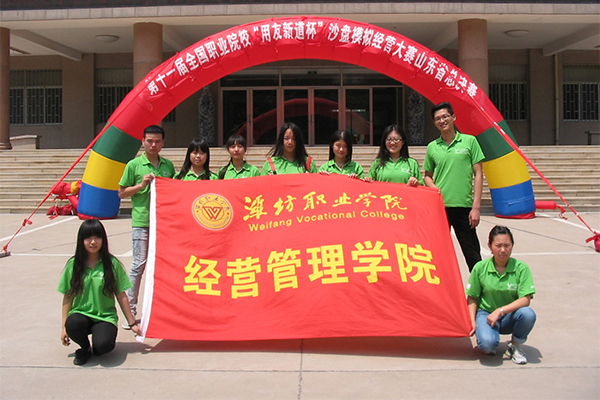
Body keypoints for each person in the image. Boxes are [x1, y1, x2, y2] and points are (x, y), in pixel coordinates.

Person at [59, 220, 141, 366]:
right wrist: (64, 328)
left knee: (103, 346)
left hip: (105, 317)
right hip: (81, 314)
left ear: (103, 239)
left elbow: (121, 295)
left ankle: (97, 345)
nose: (93, 242)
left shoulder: (112, 264)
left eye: (97, 237)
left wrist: (132, 323)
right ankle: (85, 348)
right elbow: (68, 296)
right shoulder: (73, 265)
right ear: (81, 240)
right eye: (88, 238)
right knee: (73, 324)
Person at [118, 125, 175, 327]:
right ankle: (130, 311)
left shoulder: (168, 166)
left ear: (163, 143)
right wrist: (141, 185)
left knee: (164, 266)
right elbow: (121, 192)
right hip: (142, 222)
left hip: (163, 224)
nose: (153, 145)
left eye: (157, 141)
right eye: (149, 141)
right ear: (142, 141)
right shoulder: (134, 165)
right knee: (139, 265)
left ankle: (162, 310)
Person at [423, 102, 485, 272]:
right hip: (440, 208)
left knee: (472, 254)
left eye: (445, 116)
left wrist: (476, 208)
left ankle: (479, 287)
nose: (442, 121)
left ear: (453, 117)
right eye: (438, 118)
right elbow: (427, 176)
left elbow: (478, 173)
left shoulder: (469, 141)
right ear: (434, 123)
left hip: (464, 207)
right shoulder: (432, 147)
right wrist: (435, 189)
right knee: (437, 253)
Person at [466, 225, 536, 364]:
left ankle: (515, 346)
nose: (503, 250)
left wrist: (500, 311)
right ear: (490, 246)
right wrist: (472, 321)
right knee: (487, 345)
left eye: (507, 245)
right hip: (486, 314)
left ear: (512, 245)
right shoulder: (480, 268)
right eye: (498, 246)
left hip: (509, 315)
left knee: (528, 314)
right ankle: (488, 338)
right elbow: (472, 297)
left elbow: (525, 299)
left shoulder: (521, 268)